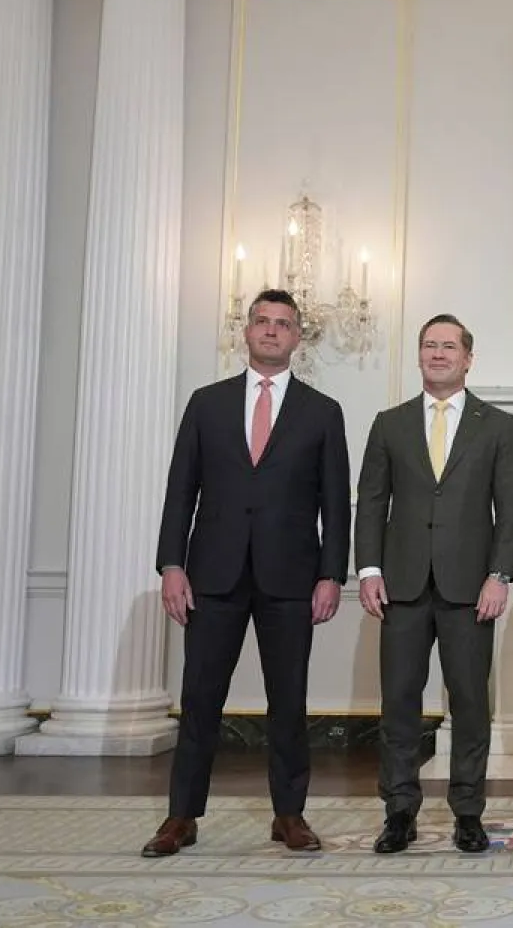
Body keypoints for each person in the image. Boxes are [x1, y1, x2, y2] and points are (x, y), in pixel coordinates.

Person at [144, 288, 351, 858]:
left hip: (291, 578)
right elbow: (179, 491)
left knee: (289, 701)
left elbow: (336, 503)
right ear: (247, 331)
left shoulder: (322, 411)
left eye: (283, 324)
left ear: (297, 338)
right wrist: (171, 565)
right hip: (212, 575)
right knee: (201, 698)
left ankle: (289, 815)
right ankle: (180, 817)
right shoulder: (206, 404)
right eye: (262, 321)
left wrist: (333, 573)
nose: (271, 331)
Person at [355, 314, 513, 855]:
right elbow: (372, 503)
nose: (437, 354)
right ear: (420, 355)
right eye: (429, 345)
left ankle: (468, 813)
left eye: (448, 346)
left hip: (471, 589)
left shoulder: (497, 425)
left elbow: (511, 510)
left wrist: (500, 576)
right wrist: (368, 570)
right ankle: (399, 811)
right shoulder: (389, 423)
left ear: (468, 358)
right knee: (399, 703)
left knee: (472, 704)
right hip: (401, 587)